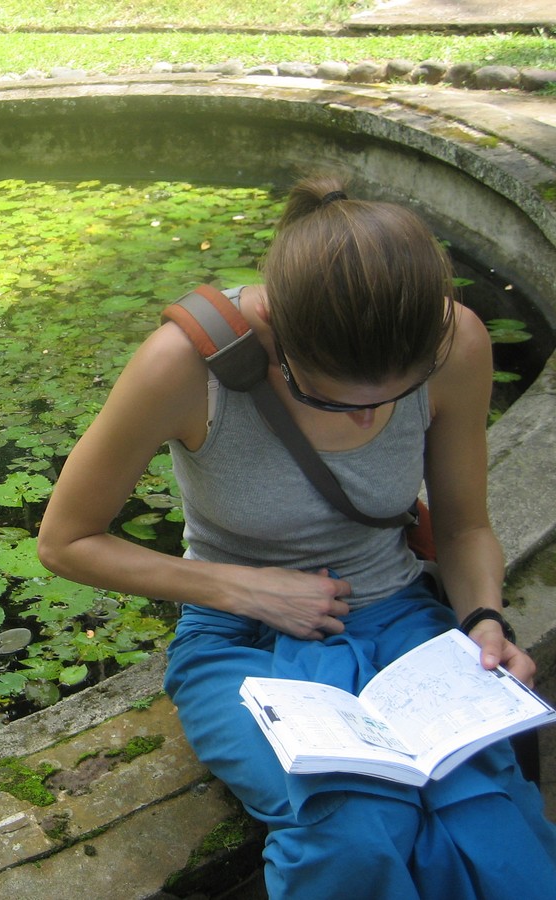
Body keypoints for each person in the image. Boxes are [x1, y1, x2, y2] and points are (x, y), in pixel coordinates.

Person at [37, 174, 556, 898]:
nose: (368, 422)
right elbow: (65, 541)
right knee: (348, 831)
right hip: (238, 639)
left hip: (400, 615)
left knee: (491, 822)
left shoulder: (456, 341)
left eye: (395, 398)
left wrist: (486, 620)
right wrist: (247, 587)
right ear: (277, 334)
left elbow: (466, 525)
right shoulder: (184, 366)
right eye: (332, 398)